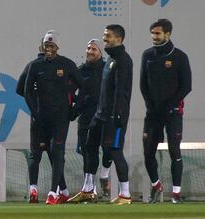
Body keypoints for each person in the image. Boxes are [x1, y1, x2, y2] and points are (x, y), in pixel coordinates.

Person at [24, 30, 84, 205]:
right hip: (40, 119)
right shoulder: (35, 66)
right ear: (42, 47)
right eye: (46, 45)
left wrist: (74, 111)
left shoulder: (67, 65)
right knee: (36, 154)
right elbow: (26, 90)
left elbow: (84, 88)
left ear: (57, 47)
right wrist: (35, 112)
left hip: (60, 119)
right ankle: (33, 190)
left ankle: (52, 193)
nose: (48, 49)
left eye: (51, 46)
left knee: (57, 154)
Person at [140, 19, 192, 204]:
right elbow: (143, 84)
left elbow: (186, 86)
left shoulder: (180, 56)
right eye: (152, 33)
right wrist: (150, 106)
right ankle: (156, 185)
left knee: (174, 151)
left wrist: (170, 105)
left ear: (168, 34)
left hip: (173, 113)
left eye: (158, 33)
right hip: (153, 114)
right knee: (147, 152)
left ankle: (176, 194)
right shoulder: (147, 55)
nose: (154, 37)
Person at [16, 38, 68, 204]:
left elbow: (20, 89)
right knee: (56, 154)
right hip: (54, 116)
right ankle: (57, 192)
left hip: (38, 117)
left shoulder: (32, 65)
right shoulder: (58, 65)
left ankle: (35, 189)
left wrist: (35, 104)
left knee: (35, 155)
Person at [91, 24, 133, 205]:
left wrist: (118, 115)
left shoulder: (124, 60)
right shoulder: (110, 59)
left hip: (114, 117)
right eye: (104, 35)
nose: (104, 38)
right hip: (101, 116)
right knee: (93, 146)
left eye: (107, 35)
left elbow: (121, 91)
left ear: (119, 38)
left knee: (116, 151)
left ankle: (125, 194)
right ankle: (91, 186)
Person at [68, 39, 112, 203]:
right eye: (88, 48)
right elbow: (70, 94)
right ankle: (89, 190)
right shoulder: (80, 71)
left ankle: (104, 175)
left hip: (105, 118)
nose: (90, 51)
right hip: (86, 119)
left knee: (109, 151)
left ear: (100, 52)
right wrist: (72, 111)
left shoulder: (108, 68)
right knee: (88, 154)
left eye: (94, 48)